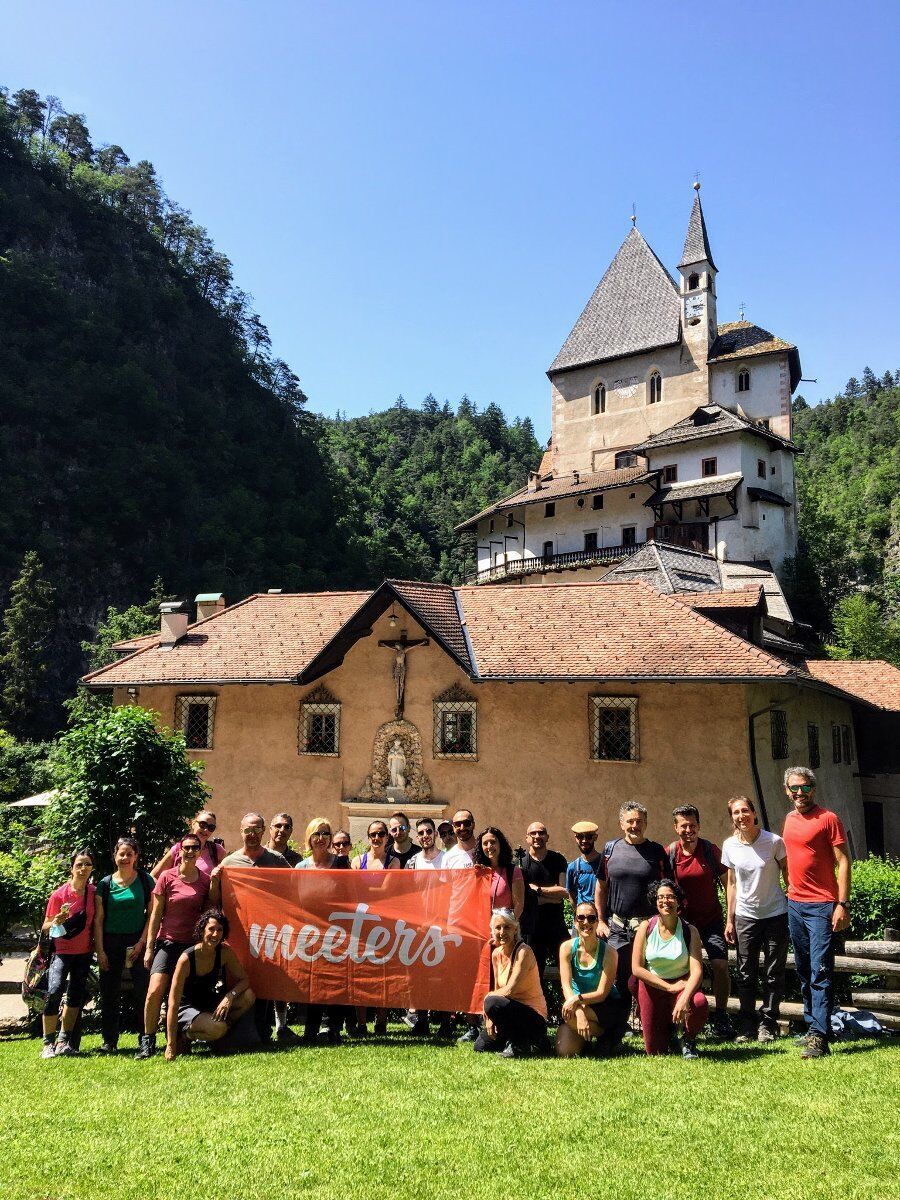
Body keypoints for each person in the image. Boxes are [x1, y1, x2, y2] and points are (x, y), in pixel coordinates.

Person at [781, 766, 852, 1059]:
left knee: (820, 970)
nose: (800, 793)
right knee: (803, 968)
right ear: (787, 791)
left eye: (805, 788)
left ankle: (820, 1037)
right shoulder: (789, 819)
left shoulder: (828, 818)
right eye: (794, 788)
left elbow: (844, 861)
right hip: (794, 904)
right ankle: (813, 1026)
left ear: (813, 789)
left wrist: (841, 904)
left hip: (822, 905)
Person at [213, 812, 291, 1044]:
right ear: (241, 831)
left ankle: (263, 1030)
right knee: (241, 979)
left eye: (257, 830)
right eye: (248, 830)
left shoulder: (276, 859)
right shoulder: (229, 862)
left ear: (263, 831)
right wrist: (215, 880)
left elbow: (295, 886)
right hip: (239, 935)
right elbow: (215, 901)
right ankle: (239, 1031)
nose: (252, 835)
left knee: (265, 981)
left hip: (268, 933)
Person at [722, 794, 789, 1044]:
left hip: (775, 914)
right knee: (745, 973)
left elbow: (788, 874)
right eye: (736, 813)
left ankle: (768, 1024)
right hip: (745, 917)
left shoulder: (773, 842)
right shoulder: (729, 846)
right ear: (732, 818)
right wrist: (729, 919)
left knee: (774, 973)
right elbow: (731, 883)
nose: (741, 816)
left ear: (753, 813)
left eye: (745, 811)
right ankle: (747, 1025)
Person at [139, 832, 211, 1059]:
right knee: (154, 992)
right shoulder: (167, 877)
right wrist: (150, 947)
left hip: (190, 946)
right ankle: (148, 1040)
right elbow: (156, 914)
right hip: (167, 943)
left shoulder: (204, 880)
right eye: (186, 848)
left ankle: (181, 1038)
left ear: (200, 852)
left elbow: (206, 915)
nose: (190, 852)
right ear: (179, 851)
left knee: (183, 995)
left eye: (195, 848)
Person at [667, 805, 732, 1038]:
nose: (688, 830)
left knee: (720, 966)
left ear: (699, 826)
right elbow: (663, 891)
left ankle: (721, 1016)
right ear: (675, 827)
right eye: (683, 825)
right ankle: (684, 1016)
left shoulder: (709, 850)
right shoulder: (670, 854)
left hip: (711, 920)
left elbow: (729, 884)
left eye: (692, 825)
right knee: (681, 970)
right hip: (682, 924)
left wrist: (730, 919)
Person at [598, 802, 668, 1006]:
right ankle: (623, 1023)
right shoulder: (610, 850)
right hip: (618, 928)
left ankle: (648, 1018)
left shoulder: (656, 852)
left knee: (650, 973)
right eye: (630, 821)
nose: (634, 825)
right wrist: (601, 921)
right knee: (619, 975)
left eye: (639, 821)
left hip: (649, 927)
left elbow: (667, 889)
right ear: (621, 824)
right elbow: (600, 887)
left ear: (646, 823)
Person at [630, 879, 709, 1058]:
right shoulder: (646, 927)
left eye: (670, 897)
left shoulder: (690, 931)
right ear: (655, 901)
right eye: (661, 897)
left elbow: (696, 971)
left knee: (699, 1002)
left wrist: (684, 998)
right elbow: (636, 968)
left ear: (678, 901)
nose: (665, 901)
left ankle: (688, 1040)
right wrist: (667, 987)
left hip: (681, 984)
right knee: (655, 1051)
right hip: (652, 986)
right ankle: (669, 1032)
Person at [165, 909, 255, 1060]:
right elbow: (173, 1003)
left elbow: (244, 980)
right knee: (217, 1028)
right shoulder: (186, 959)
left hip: (209, 1004)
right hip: (186, 1008)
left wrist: (229, 996)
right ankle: (185, 1037)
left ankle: (218, 1035)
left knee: (248, 996)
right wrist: (170, 1044)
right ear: (202, 930)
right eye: (211, 929)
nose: (215, 934)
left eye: (219, 930)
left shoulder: (224, 952)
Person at [93, 837, 154, 1054]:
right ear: (115, 856)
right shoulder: (105, 884)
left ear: (136, 856)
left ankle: (145, 1039)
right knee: (109, 993)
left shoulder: (146, 881)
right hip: (110, 942)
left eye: (129, 854)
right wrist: (100, 950)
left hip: (136, 941)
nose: (125, 858)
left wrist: (142, 943)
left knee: (142, 991)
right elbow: (98, 920)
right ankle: (109, 1041)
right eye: (121, 853)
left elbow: (152, 915)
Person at [295, 817, 351, 1042]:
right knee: (311, 980)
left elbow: (349, 896)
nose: (321, 839)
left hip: (336, 931)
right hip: (309, 932)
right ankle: (311, 1027)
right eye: (316, 834)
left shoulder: (340, 863)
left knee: (334, 979)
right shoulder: (301, 867)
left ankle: (332, 1026)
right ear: (309, 837)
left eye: (325, 834)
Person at [40, 849, 96, 1058]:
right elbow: (46, 925)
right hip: (62, 951)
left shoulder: (93, 893)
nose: (83, 869)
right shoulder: (59, 894)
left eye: (87, 864)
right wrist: (55, 921)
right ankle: (47, 1043)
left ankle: (64, 1041)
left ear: (92, 868)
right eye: (79, 864)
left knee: (75, 996)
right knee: (54, 992)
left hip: (84, 952)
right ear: (72, 867)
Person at [474, 908, 548, 1057]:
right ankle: (527, 1042)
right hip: (509, 1012)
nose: (502, 932)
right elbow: (497, 990)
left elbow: (509, 991)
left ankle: (524, 1043)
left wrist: (487, 1004)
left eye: (507, 927)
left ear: (515, 929)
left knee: (492, 1002)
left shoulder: (524, 952)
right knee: (480, 1046)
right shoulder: (496, 954)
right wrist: (490, 1017)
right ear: (492, 931)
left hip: (533, 1016)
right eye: (498, 927)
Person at [555, 901, 626, 1057]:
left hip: (605, 1005)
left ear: (597, 921)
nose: (586, 922)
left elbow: (601, 993)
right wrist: (579, 1012)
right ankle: (591, 1040)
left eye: (591, 918)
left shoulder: (609, 953)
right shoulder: (566, 948)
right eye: (581, 918)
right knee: (565, 1051)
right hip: (577, 1006)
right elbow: (566, 985)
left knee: (569, 1011)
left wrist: (576, 1002)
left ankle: (606, 1034)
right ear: (574, 922)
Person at [351, 819, 400, 1034]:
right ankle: (361, 1023)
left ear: (387, 837)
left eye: (381, 834)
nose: (377, 838)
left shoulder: (394, 861)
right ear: (368, 837)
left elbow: (389, 891)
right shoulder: (357, 860)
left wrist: (366, 890)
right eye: (373, 834)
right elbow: (353, 890)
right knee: (360, 972)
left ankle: (381, 1022)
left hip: (385, 924)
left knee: (383, 974)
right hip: (360, 924)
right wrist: (376, 890)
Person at [518, 822, 569, 995]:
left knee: (568, 969)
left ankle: (570, 1017)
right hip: (531, 928)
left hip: (556, 926)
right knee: (533, 975)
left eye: (541, 833)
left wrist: (538, 891)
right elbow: (523, 898)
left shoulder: (558, 860)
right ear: (527, 838)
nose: (537, 836)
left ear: (547, 837)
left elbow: (563, 892)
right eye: (533, 833)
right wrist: (549, 896)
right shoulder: (521, 863)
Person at [151, 809, 225, 878]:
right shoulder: (178, 849)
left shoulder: (217, 850)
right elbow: (154, 876)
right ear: (193, 824)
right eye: (203, 824)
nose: (206, 830)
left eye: (211, 827)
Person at [473, 827, 524, 918]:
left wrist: (506, 927)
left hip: (505, 929)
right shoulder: (479, 872)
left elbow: (519, 906)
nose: (489, 846)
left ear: (500, 844)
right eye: (485, 843)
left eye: (493, 842)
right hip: (483, 929)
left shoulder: (513, 871)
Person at [565, 821, 606, 921]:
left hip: (603, 918)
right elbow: (571, 894)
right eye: (580, 837)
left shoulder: (605, 863)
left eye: (588, 837)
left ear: (595, 837)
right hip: (582, 918)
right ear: (575, 838)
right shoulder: (573, 867)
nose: (584, 840)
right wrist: (578, 913)